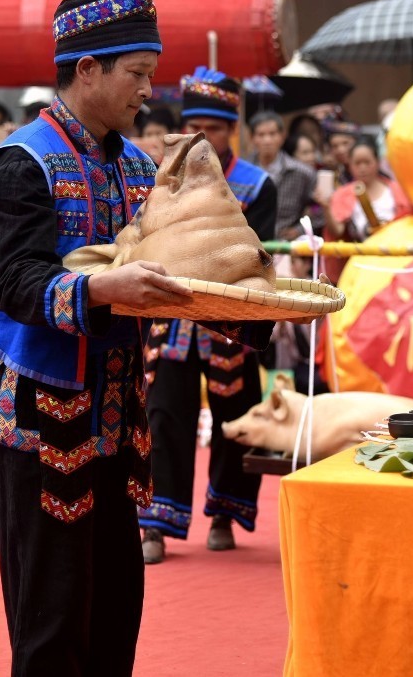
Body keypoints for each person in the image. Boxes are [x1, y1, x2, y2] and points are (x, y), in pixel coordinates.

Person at [0, 0, 273, 674]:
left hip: (113, 411)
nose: (147, 89)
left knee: (114, 611)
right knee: (51, 617)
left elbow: (184, 262)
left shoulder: (135, 165)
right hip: (42, 415)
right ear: (87, 70)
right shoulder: (22, 161)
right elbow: (17, 284)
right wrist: (104, 289)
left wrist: (239, 297)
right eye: (137, 73)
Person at [140, 66, 278, 565]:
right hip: (172, 315)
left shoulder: (256, 184)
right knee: (163, 416)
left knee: (235, 420)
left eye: (216, 127)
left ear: (231, 130)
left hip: (231, 317)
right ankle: (155, 523)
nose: (205, 136)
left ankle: (225, 512)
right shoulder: (164, 180)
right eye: (196, 125)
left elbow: (253, 252)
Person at [327, 137, 412, 242]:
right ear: (350, 165)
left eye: (367, 162)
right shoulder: (342, 195)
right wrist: (325, 207)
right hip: (360, 253)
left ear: (377, 162)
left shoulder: (397, 190)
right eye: (357, 163)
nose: (362, 168)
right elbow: (337, 231)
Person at [250, 110, 316, 242]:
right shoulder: (244, 171)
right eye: (261, 135)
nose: (267, 140)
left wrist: (299, 230)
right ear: (252, 138)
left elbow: (318, 209)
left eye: (272, 134)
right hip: (249, 244)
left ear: (283, 136)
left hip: (286, 246)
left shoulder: (302, 172)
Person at [324, 119, 360, 184]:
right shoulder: (333, 175)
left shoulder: (368, 171)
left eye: (345, 143)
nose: (341, 150)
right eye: (335, 146)